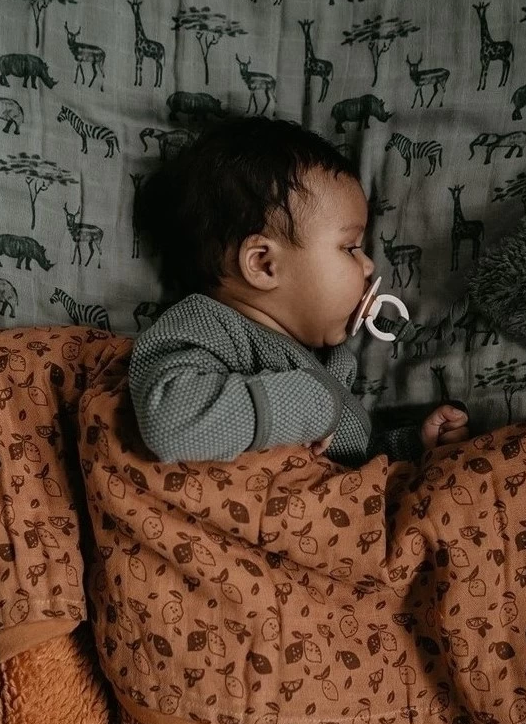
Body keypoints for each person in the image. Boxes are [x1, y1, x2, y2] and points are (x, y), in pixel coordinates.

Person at [129, 116, 468, 467]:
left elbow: (352, 463)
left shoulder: (330, 363)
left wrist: (413, 446)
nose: (369, 265)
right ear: (264, 264)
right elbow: (168, 422)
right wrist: (310, 405)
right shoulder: (208, 327)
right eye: (350, 247)